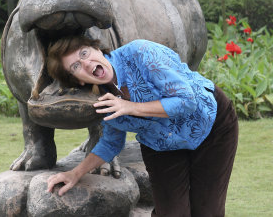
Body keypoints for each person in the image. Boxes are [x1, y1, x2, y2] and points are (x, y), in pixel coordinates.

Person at [46, 35, 238, 217]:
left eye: (84, 53)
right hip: (160, 143)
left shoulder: (142, 52)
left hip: (210, 124)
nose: (86, 64)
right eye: (76, 66)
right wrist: (75, 173)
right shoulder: (101, 101)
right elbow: (111, 144)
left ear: (97, 48)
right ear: (78, 80)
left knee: (207, 211)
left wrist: (131, 107)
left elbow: (186, 101)